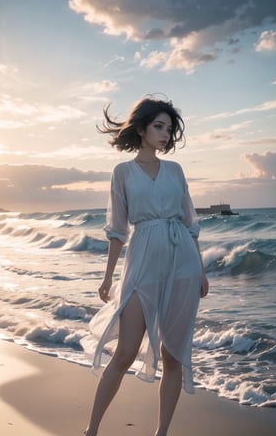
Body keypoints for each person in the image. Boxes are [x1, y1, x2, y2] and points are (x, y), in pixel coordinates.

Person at [82, 95, 209, 436]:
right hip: (142, 261)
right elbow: (117, 229)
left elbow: (189, 221)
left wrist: (202, 268)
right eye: (158, 126)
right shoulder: (122, 172)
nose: (165, 134)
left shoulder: (175, 170)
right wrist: (108, 277)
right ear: (141, 129)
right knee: (124, 352)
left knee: (173, 355)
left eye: (169, 128)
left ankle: (161, 433)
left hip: (182, 260)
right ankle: (91, 430)